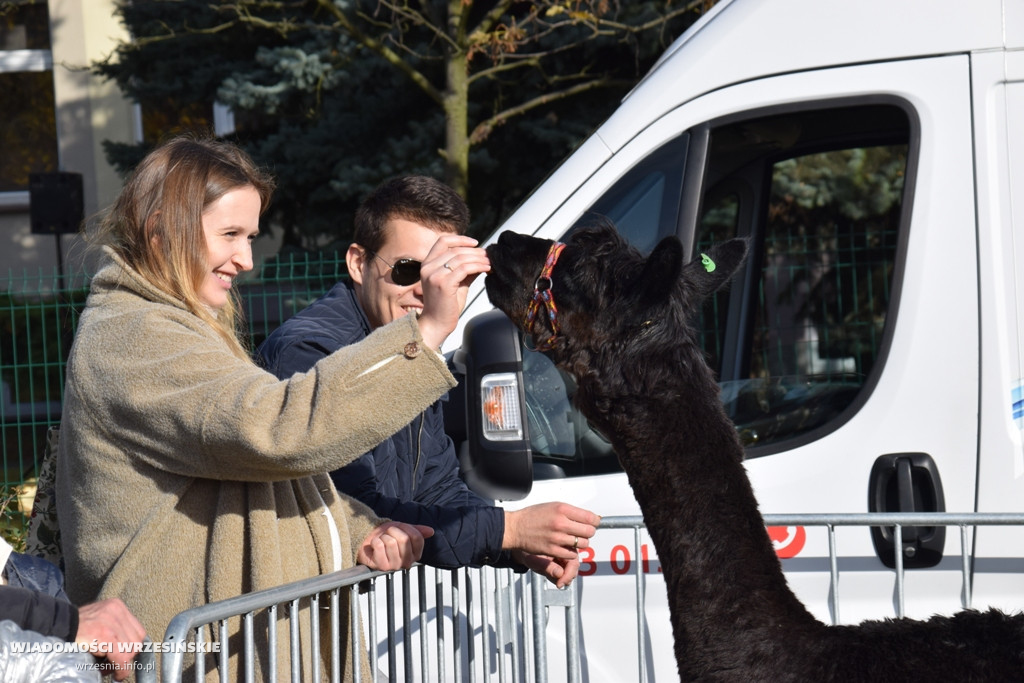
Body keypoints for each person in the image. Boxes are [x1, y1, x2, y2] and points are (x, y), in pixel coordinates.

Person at [54, 135, 489, 680]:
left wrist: (361, 528)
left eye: (251, 235)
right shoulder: (135, 335)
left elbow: (253, 476)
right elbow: (279, 431)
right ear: (162, 229)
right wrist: (424, 334)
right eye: (230, 234)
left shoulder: (178, 324)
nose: (246, 259)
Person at [257, 175, 600, 588]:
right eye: (407, 270)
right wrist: (507, 529)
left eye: (443, 271)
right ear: (357, 263)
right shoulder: (311, 351)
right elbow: (351, 509)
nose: (425, 290)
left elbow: (436, 488)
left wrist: (513, 546)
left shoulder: (406, 344)